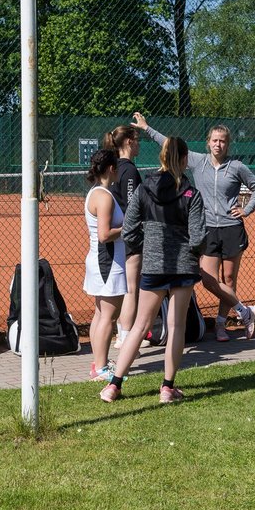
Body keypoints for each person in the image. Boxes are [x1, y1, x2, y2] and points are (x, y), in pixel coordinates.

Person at [132, 112, 255, 341]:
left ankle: (221, 325)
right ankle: (244, 311)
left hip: (232, 227)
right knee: (208, 278)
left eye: (222, 140)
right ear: (208, 142)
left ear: (227, 143)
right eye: (214, 140)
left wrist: (246, 209)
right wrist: (146, 128)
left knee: (230, 279)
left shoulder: (237, 166)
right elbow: (170, 145)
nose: (218, 144)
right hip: (207, 228)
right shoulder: (197, 160)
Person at [101, 136, 206, 404]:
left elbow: (129, 229)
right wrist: (191, 254)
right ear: (184, 160)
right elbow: (198, 237)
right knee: (176, 325)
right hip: (182, 266)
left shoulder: (144, 190)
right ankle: (167, 388)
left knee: (139, 325)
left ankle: (114, 385)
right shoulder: (191, 194)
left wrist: (144, 247)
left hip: (154, 264)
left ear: (161, 157)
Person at [82, 149, 126, 382]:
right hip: (107, 261)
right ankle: (100, 368)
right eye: (117, 166)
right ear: (111, 169)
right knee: (108, 316)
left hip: (102, 261)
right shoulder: (104, 196)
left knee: (101, 314)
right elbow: (104, 235)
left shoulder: (97, 193)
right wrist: (129, 228)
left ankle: (98, 363)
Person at [103, 124, 143, 348]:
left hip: (118, 236)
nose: (138, 144)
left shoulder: (113, 168)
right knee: (130, 287)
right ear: (129, 142)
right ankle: (125, 337)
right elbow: (130, 206)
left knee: (122, 286)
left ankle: (122, 333)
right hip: (129, 237)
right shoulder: (128, 170)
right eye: (137, 140)